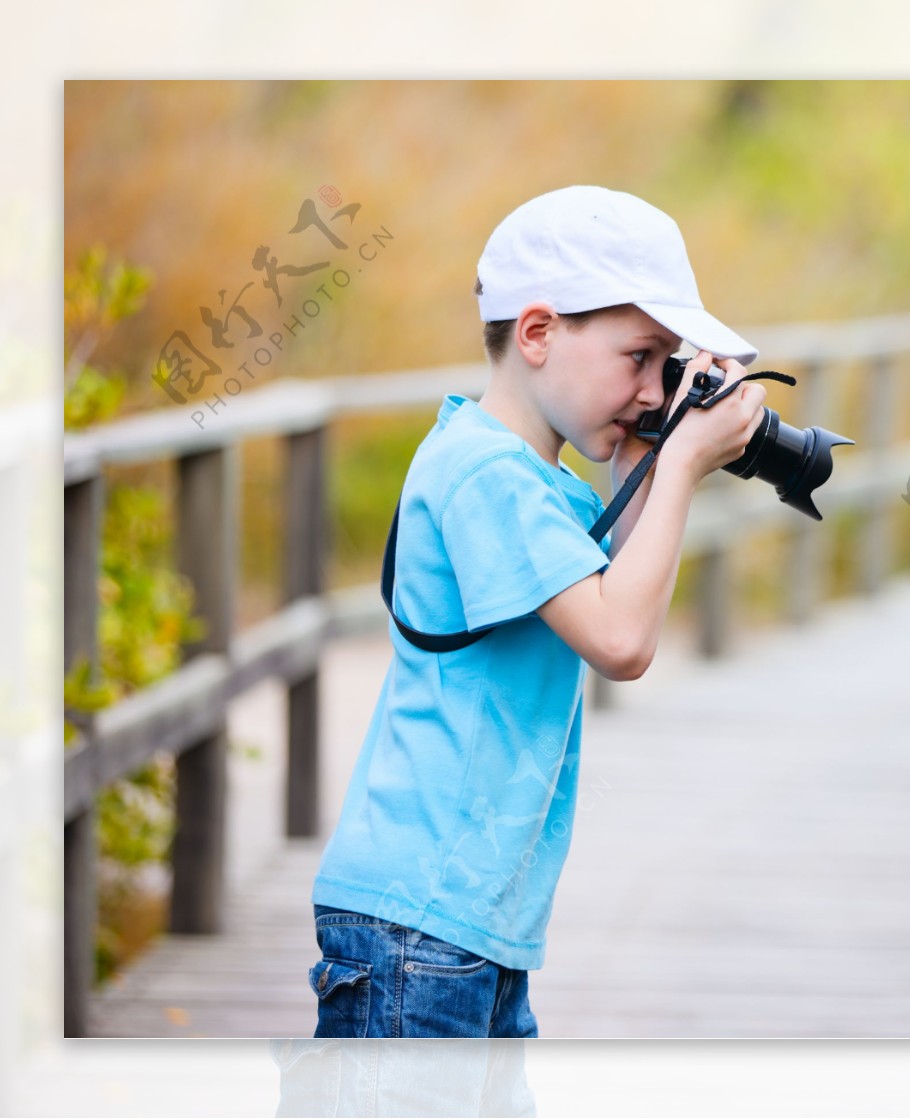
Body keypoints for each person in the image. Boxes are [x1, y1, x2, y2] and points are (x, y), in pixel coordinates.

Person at [306, 185, 767, 1038]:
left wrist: (654, 441)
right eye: (639, 357)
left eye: (666, 364)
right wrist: (684, 466)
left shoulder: (531, 479)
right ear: (539, 332)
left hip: (471, 923)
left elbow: (626, 582)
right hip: (419, 922)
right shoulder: (488, 477)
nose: (650, 384)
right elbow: (622, 640)